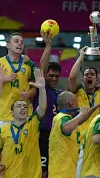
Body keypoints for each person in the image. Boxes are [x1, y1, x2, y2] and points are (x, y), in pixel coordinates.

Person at [0, 69, 47, 178]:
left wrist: (42, 88)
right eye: (19, 106)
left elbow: (42, 107)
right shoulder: (2, 130)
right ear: (12, 112)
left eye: (25, 106)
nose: (22, 108)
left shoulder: (33, 124)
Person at [0, 32, 37, 145]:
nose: (20, 44)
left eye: (22, 43)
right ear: (8, 45)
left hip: (24, 115)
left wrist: (29, 94)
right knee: (0, 154)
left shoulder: (29, 65)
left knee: (23, 154)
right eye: (16, 41)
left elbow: (35, 89)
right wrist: (3, 80)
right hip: (2, 116)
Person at [48, 91, 100, 178]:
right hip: (63, 172)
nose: (78, 104)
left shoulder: (62, 118)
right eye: (77, 101)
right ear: (71, 103)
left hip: (65, 170)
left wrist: (98, 105)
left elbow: (81, 120)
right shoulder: (62, 117)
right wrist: (81, 113)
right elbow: (66, 128)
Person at [68, 46, 100, 141]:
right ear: (82, 80)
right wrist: (81, 56)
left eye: (92, 75)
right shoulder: (77, 92)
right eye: (86, 75)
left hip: (98, 137)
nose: (89, 76)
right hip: (80, 140)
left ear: (97, 79)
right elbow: (72, 77)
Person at [34, 32, 62, 177]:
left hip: (56, 137)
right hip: (42, 135)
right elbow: (42, 70)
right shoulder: (41, 89)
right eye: (51, 75)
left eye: (56, 76)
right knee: (42, 172)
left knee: (54, 170)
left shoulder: (60, 94)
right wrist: (48, 46)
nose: (53, 78)